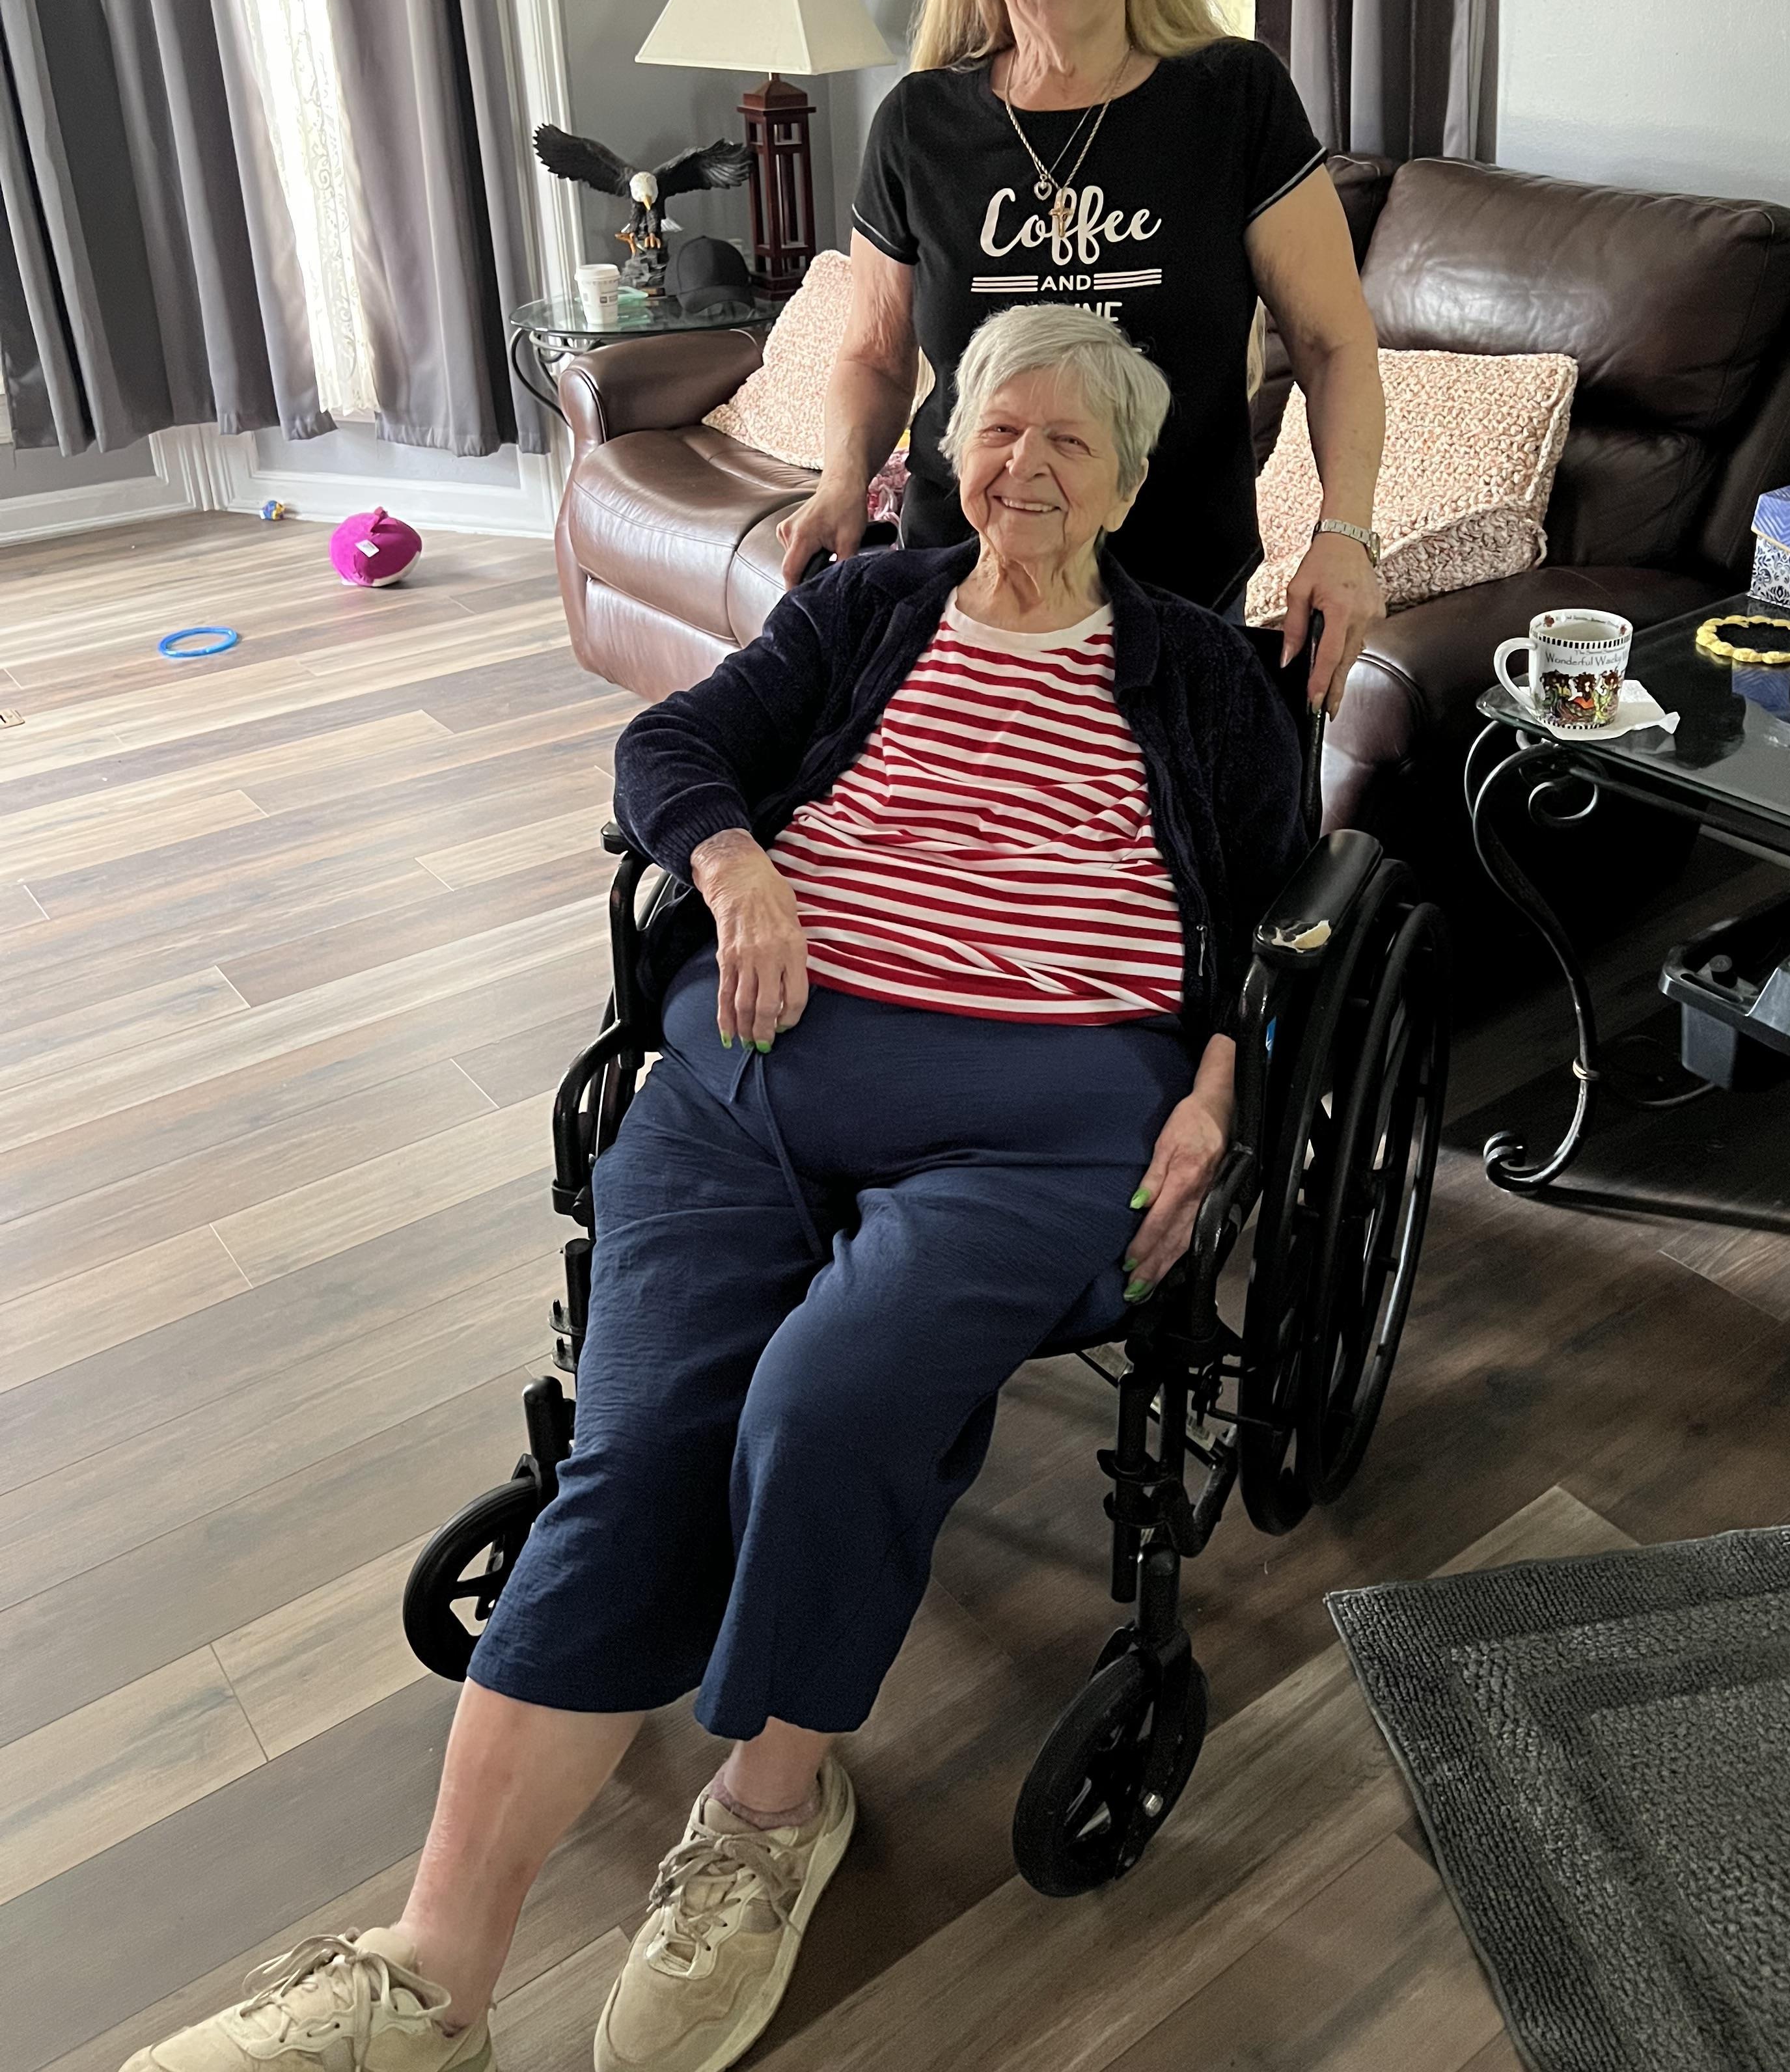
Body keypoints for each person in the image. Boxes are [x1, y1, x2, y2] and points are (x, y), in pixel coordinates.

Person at [128, 307, 1303, 2072]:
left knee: (828, 1407)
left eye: (1073, 443)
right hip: (770, 1059)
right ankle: (425, 1977)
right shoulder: (866, 608)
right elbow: (671, 752)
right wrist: (743, 869)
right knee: (646, 1439)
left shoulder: (1202, 674)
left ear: (1131, 485)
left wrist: (1218, 1092)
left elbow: (1288, 909)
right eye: (1000, 431)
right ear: (946, 455)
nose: (1028, 467)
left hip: (1058, 1106)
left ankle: (769, 1816)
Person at [777, 0, 1385, 713]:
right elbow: (874, 353)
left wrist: (1345, 534)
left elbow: (1334, 341)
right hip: (961, 587)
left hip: (1178, 597)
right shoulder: (916, 125)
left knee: (1140, 862)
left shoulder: (1235, 100)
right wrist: (842, 478)